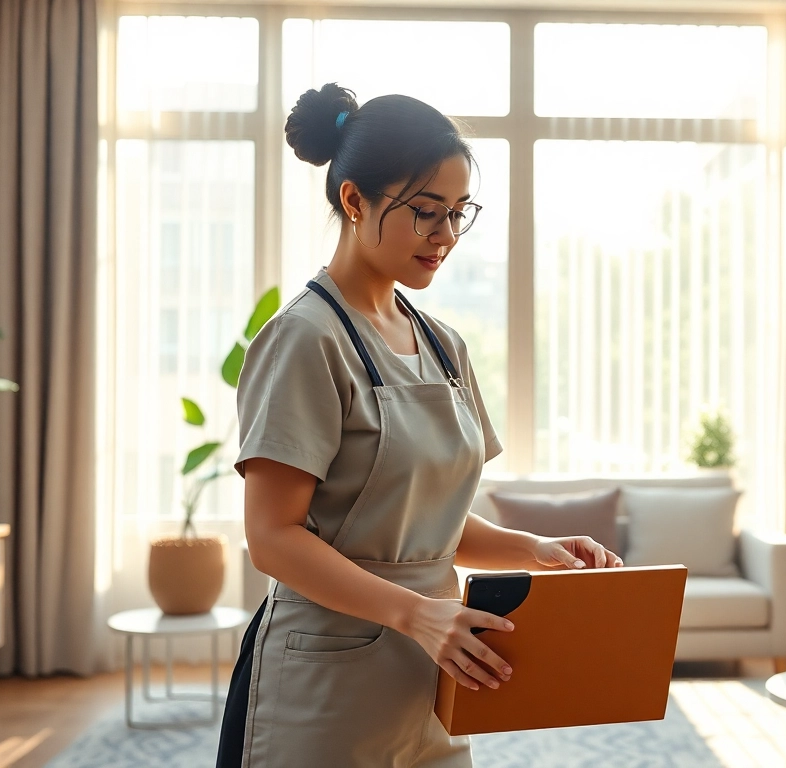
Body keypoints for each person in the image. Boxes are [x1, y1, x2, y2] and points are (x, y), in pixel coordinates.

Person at [215, 84, 623, 767]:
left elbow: (422, 521)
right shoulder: (304, 340)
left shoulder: (442, 345)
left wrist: (533, 548)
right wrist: (415, 612)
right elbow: (272, 538)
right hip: (323, 683)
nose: (446, 237)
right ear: (354, 201)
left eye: (459, 214)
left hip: (433, 668)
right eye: (427, 213)